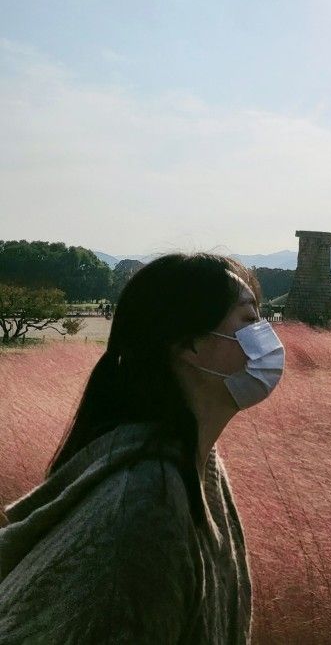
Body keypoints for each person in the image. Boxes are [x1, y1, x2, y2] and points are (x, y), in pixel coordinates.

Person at [0, 253, 285, 644]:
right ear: (188, 344)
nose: (267, 337)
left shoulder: (196, 470)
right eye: (249, 320)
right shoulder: (145, 501)